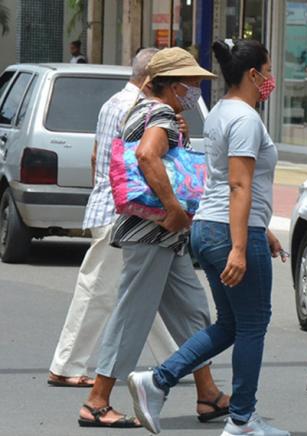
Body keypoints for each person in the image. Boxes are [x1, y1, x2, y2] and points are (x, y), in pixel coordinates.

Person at [127, 39, 288, 436]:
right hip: (230, 232)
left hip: (210, 228)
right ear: (253, 75)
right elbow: (237, 183)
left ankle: (158, 380)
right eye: (267, 72)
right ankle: (242, 419)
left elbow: (222, 181)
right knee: (253, 324)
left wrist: (259, 227)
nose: (270, 80)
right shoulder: (247, 119)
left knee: (232, 324)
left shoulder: (220, 112)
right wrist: (239, 245)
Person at [79, 47, 228, 429]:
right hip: (153, 230)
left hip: (164, 235)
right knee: (132, 315)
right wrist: (174, 208)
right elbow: (147, 156)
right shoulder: (159, 112)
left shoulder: (150, 110)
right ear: (173, 84)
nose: (196, 89)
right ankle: (97, 400)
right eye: (192, 82)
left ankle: (207, 392)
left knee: (193, 310)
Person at [47, 48, 180, 389]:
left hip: (110, 205)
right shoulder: (141, 108)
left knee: (137, 288)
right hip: (125, 211)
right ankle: (66, 364)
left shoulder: (113, 103)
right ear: (155, 78)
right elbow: (143, 161)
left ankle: (179, 359)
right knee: (99, 290)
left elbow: (98, 156)